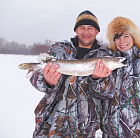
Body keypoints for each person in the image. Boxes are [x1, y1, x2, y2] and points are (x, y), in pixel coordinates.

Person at [30, 10, 113, 138]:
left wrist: (97, 80)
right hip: (52, 124)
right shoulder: (59, 49)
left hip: (84, 128)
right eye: (82, 28)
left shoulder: (103, 56)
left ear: (97, 31)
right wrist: (47, 81)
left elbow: (108, 92)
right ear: (76, 30)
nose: (86, 32)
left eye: (90, 28)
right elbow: (36, 78)